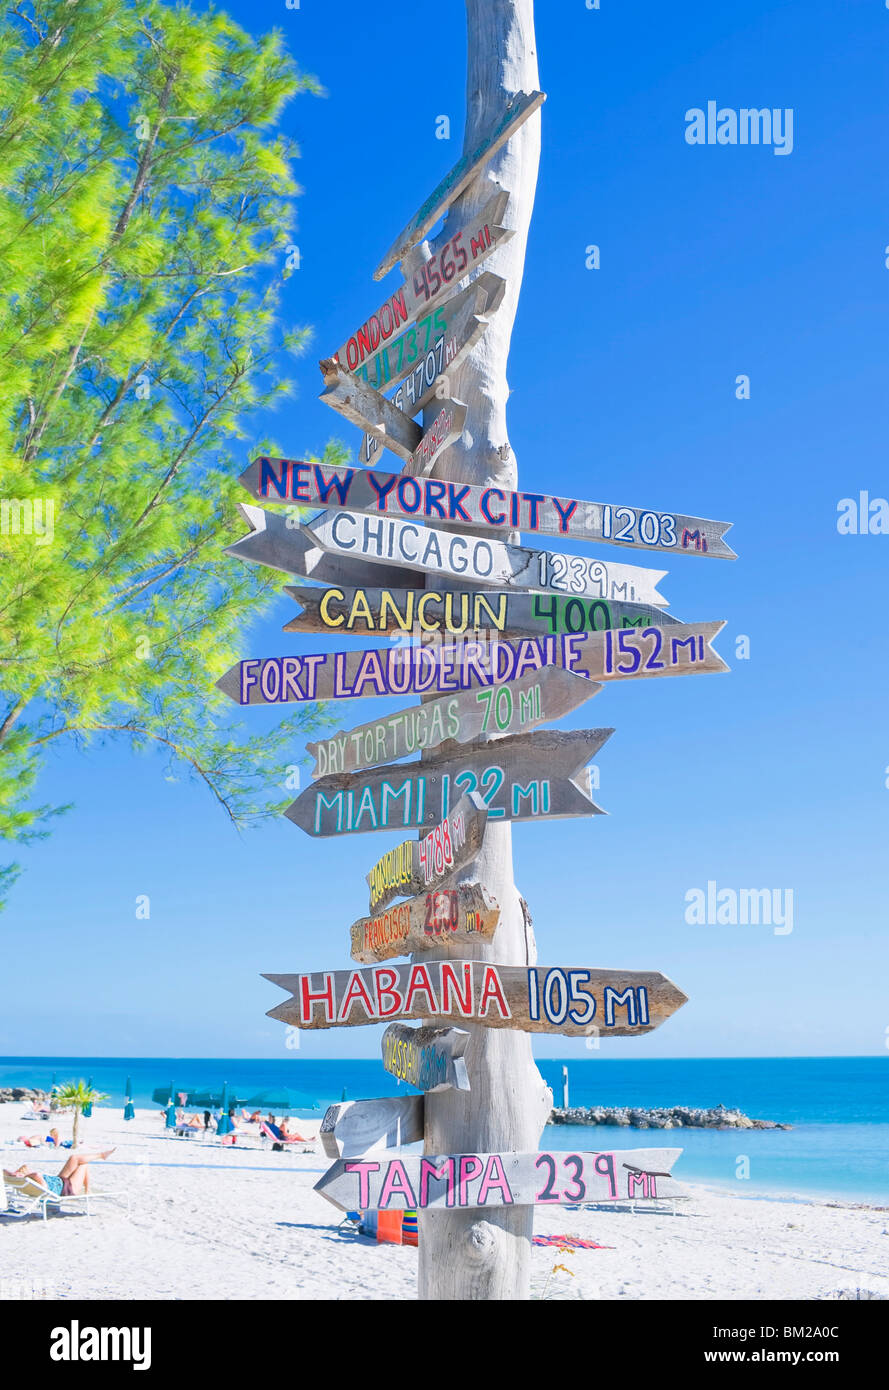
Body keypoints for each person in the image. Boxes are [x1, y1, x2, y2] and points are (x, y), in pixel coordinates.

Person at [10, 1148, 116, 1198]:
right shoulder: (33, 1179)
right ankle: (102, 1155)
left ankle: (102, 1155)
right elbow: (36, 1175)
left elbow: (5, 1172)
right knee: (83, 1163)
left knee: (74, 1158)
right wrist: (26, 1175)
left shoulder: (28, 1181)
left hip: (59, 1181)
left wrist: (19, 1174)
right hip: (67, 1189)